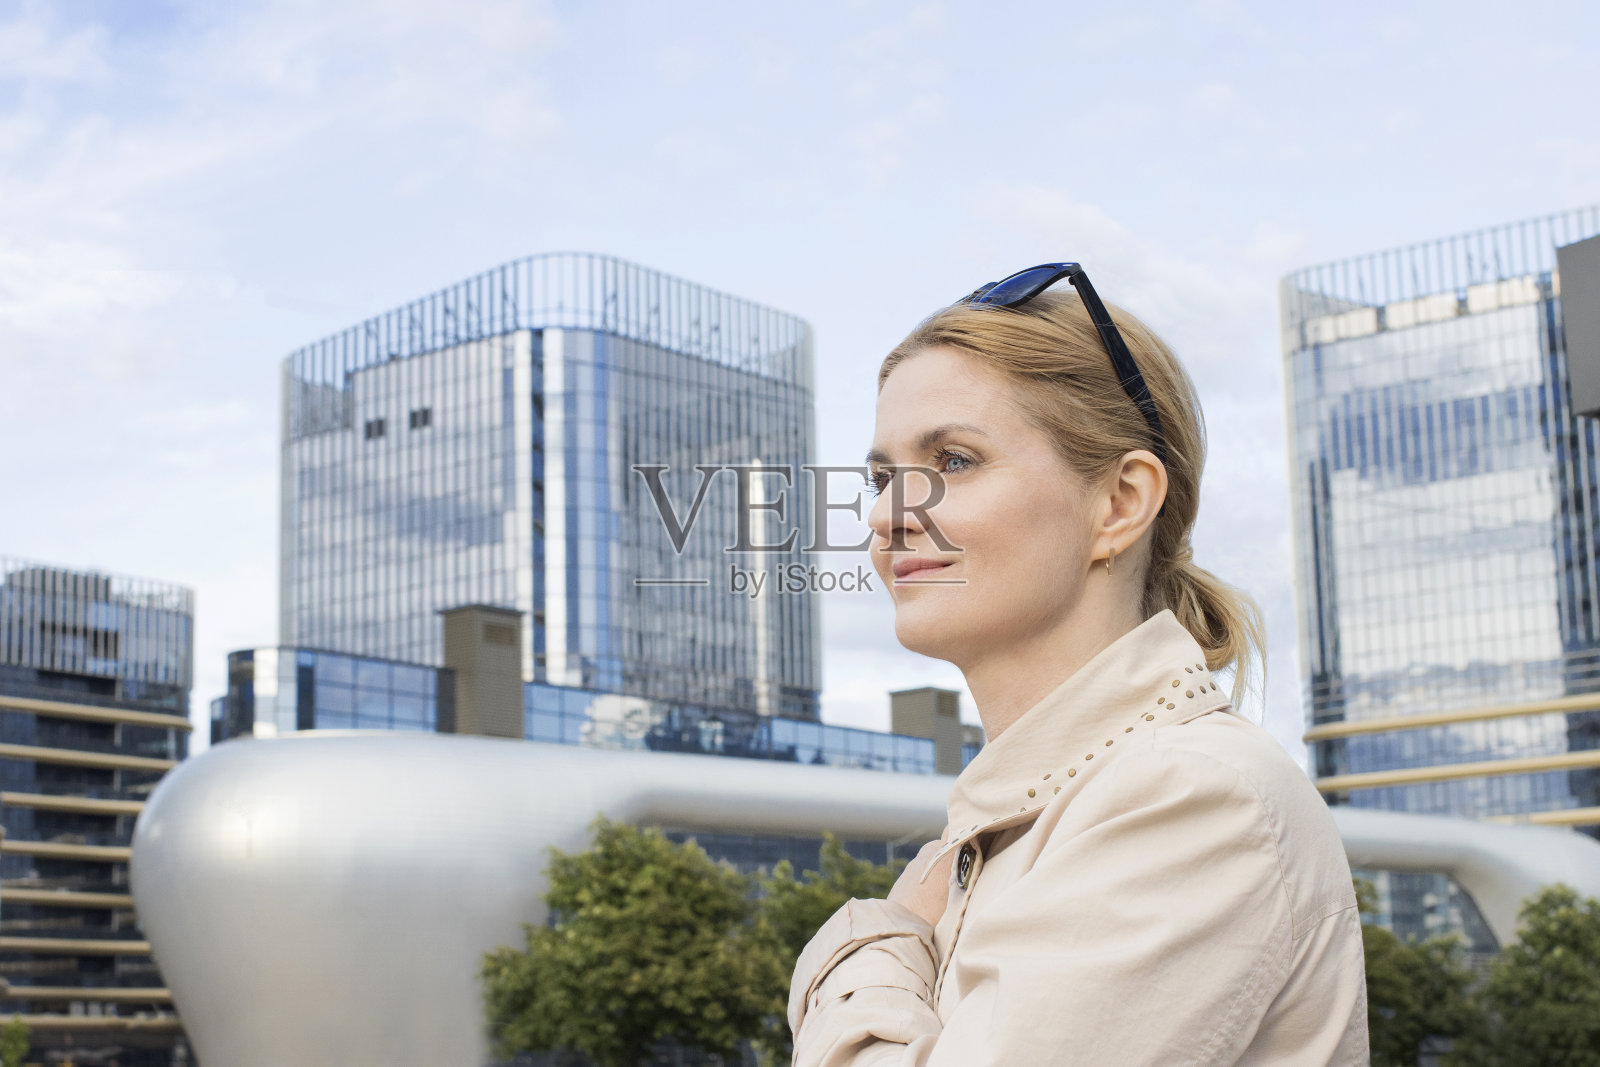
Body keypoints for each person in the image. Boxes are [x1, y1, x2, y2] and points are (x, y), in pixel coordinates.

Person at [786, 264, 1368, 1066]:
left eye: (952, 461)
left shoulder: (1189, 798)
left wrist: (871, 946)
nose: (889, 514)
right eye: (882, 476)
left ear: (1122, 502)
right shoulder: (1045, 809)